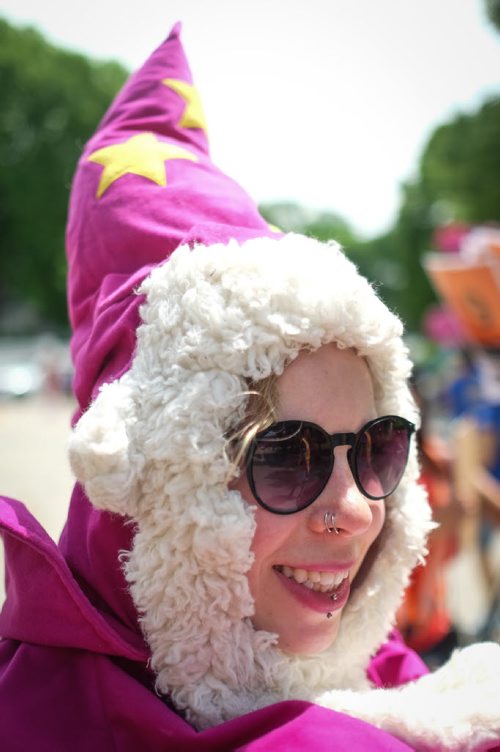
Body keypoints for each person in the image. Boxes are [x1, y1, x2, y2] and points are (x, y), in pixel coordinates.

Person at [1, 23, 499, 752]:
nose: (357, 511)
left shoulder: (384, 672)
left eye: (379, 448)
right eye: (286, 457)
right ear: (150, 483)